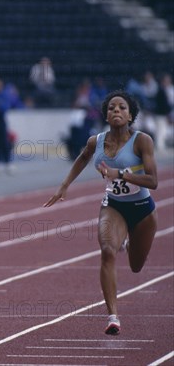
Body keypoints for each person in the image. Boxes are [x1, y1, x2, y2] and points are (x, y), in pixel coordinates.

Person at [44, 90, 158, 336]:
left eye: (122, 108)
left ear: (130, 115)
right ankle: (113, 316)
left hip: (143, 211)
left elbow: (153, 181)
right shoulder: (96, 141)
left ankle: (128, 242)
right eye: (112, 108)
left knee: (136, 266)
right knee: (107, 251)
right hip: (114, 205)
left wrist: (122, 174)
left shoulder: (142, 141)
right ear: (106, 114)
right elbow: (82, 158)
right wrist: (64, 185)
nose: (116, 111)